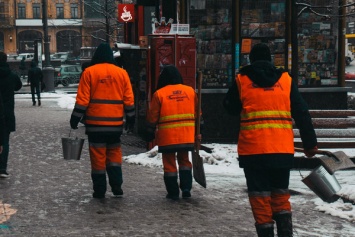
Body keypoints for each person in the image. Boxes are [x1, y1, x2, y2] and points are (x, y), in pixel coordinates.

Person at [223, 43, 318, 237]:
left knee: (259, 197)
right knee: (281, 194)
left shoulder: (241, 80)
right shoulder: (285, 80)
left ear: (251, 60)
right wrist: (310, 144)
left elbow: (230, 108)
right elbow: (301, 112)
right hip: (281, 150)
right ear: (270, 59)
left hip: (253, 151)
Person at [69, 43, 135, 199]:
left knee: (98, 156)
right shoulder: (121, 73)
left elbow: (83, 99)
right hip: (115, 124)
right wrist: (131, 117)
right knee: (114, 153)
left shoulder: (89, 72)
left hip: (95, 125)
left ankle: (99, 190)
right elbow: (129, 98)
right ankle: (117, 186)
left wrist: (75, 117)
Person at [144, 65, 198, 200]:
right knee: (185, 161)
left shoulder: (159, 94)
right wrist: (199, 131)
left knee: (169, 164)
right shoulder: (190, 92)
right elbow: (198, 114)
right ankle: (186, 188)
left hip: (168, 137)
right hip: (186, 135)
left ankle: (173, 191)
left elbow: (153, 116)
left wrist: (149, 131)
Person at [0, 52, 23, 178]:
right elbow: (18, 86)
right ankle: (2, 168)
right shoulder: (11, 75)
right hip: (7, 112)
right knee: (5, 141)